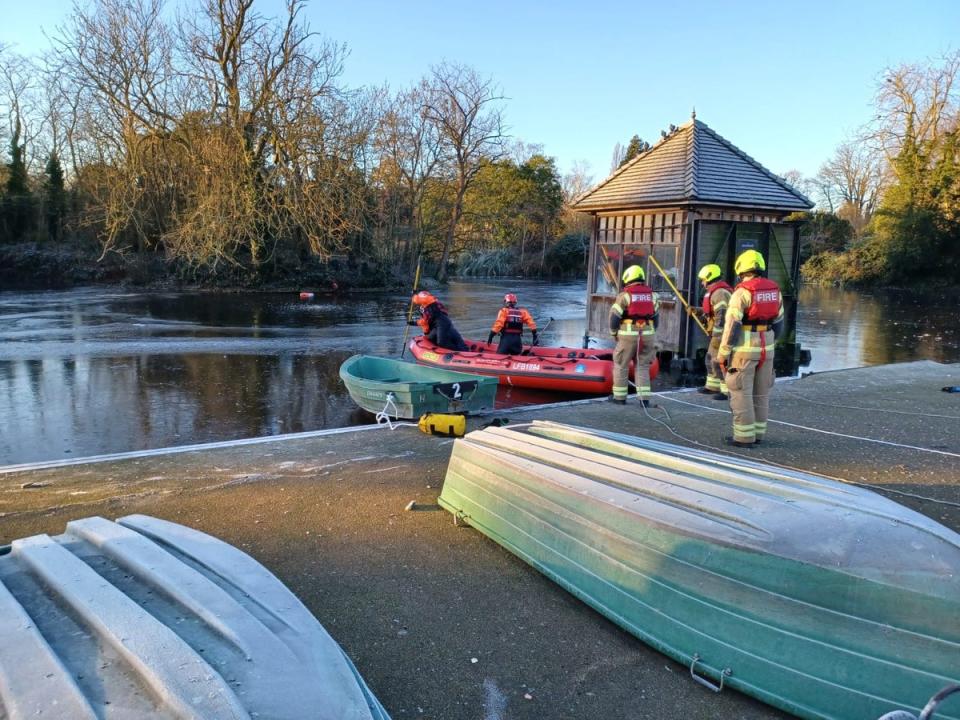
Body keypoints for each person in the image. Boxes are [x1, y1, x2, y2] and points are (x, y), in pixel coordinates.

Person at [717, 250, 784, 447]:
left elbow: (732, 327)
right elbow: (779, 322)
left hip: (745, 350)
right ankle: (758, 434)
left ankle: (744, 437)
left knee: (740, 393)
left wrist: (723, 354)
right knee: (761, 393)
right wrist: (771, 343)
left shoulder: (741, 293)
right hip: (768, 347)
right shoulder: (774, 291)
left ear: (741, 269)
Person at [609, 264, 659, 406]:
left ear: (628, 278)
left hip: (628, 335)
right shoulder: (653, 296)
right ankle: (644, 400)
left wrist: (614, 333)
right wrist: (650, 332)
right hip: (647, 335)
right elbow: (656, 318)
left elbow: (614, 317)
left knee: (621, 364)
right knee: (642, 366)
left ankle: (619, 398)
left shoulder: (625, 296)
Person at [696, 263, 733, 400]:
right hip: (717, 333)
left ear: (709, 278)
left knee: (720, 361)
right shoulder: (715, 293)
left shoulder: (720, 293)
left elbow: (721, 316)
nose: (702, 283)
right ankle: (712, 386)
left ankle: (726, 391)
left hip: (722, 334)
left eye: (703, 280)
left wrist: (717, 336)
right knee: (710, 359)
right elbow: (711, 312)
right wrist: (697, 310)